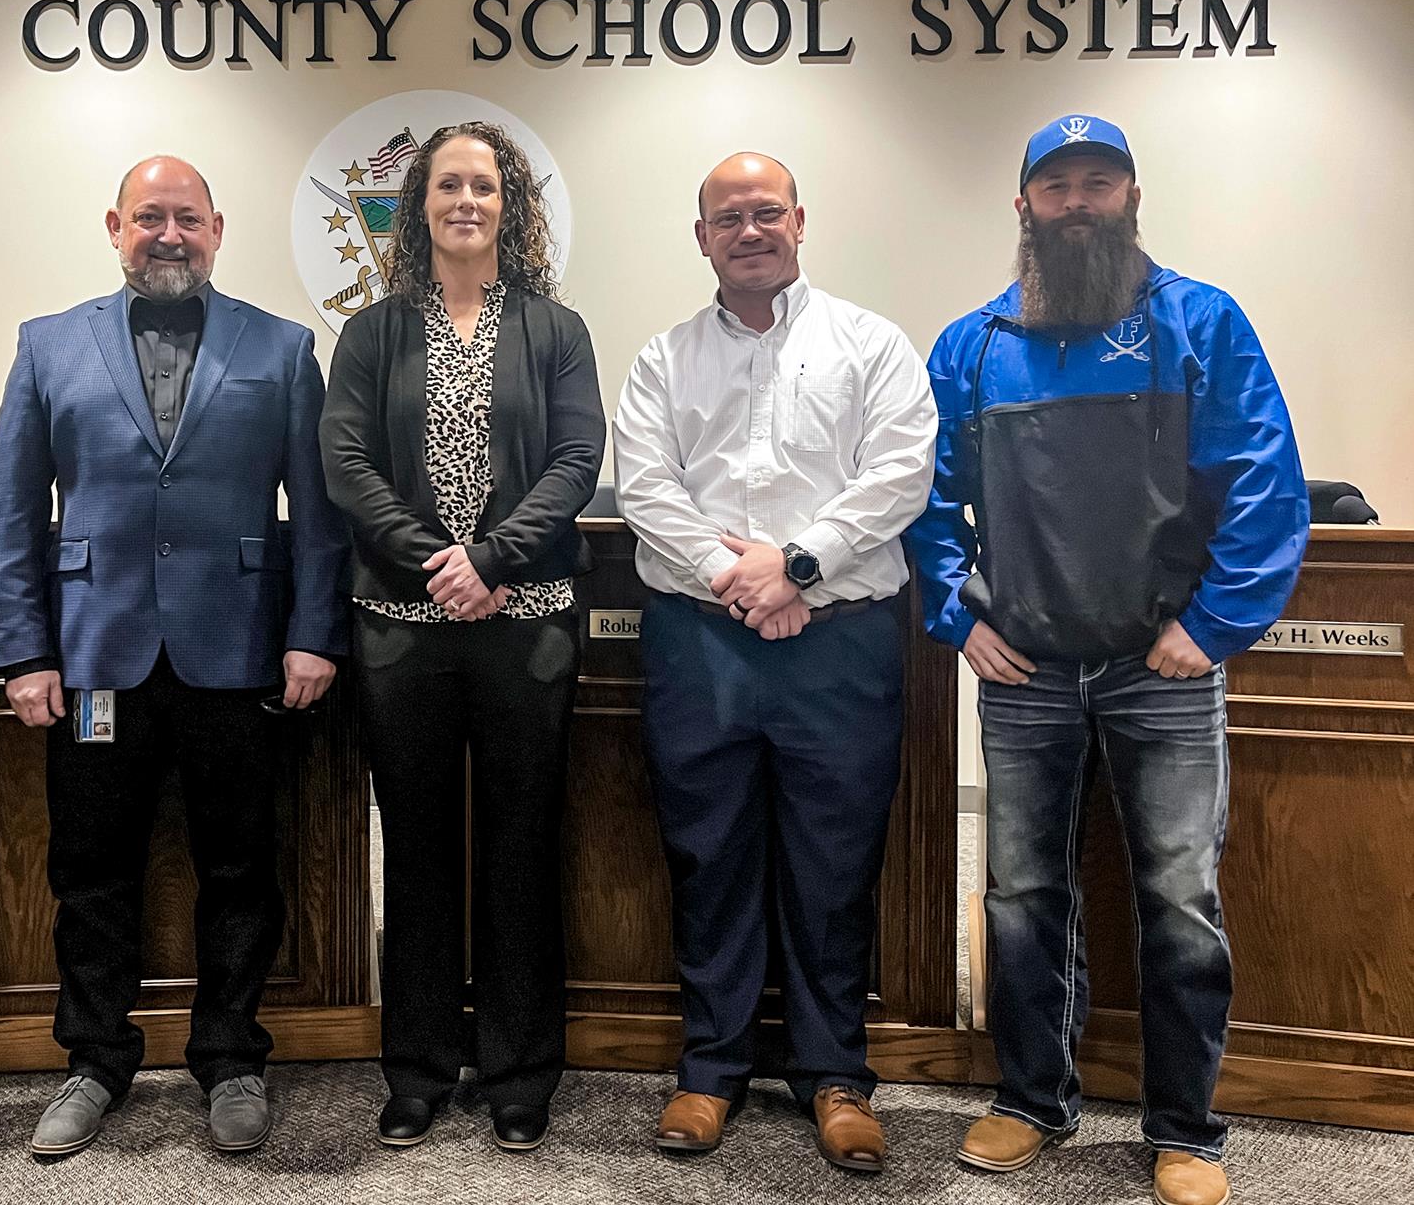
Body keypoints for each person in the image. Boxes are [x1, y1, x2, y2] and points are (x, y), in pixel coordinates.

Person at [906, 114, 1309, 1205]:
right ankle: (1030, 1100)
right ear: (1023, 204)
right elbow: (927, 503)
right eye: (1057, 186)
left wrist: (1214, 624)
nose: (1077, 200)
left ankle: (1185, 1127)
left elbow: (1264, 482)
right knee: (1022, 894)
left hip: (1162, 666)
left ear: (1131, 197)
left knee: (1179, 895)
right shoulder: (973, 345)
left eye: (1098, 182)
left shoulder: (1200, 323)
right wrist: (957, 613)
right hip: (1025, 669)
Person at [0, 156, 347, 1157]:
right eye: (151, 217)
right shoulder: (48, 345)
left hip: (239, 653)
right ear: (115, 225)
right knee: (90, 868)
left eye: (188, 217)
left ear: (218, 229)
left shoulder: (281, 349)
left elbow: (316, 514)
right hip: (94, 658)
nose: (170, 233)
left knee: (241, 865)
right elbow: (12, 510)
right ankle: (94, 1059)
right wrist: (22, 651)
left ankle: (231, 1056)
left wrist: (312, 631)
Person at [612, 152, 935, 1171]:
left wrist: (795, 565)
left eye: (765, 213)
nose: (747, 231)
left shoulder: (871, 343)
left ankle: (834, 1074)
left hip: (838, 641)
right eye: (726, 218)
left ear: (799, 220)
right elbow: (645, 489)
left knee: (833, 863)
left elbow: (900, 473)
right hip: (700, 636)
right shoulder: (663, 359)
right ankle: (709, 1070)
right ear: (699, 236)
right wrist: (742, 578)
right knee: (709, 854)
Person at [320, 120, 604, 1153]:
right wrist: (427, 556)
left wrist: (491, 559)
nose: (465, 202)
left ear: (509, 203)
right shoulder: (372, 331)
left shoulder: (554, 328)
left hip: (524, 627)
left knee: (524, 847)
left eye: (483, 185)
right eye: (448, 185)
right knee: (421, 851)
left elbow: (576, 457)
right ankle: (419, 1065)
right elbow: (344, 459)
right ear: (420, 206)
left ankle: (522, 1067)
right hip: (401, 630)